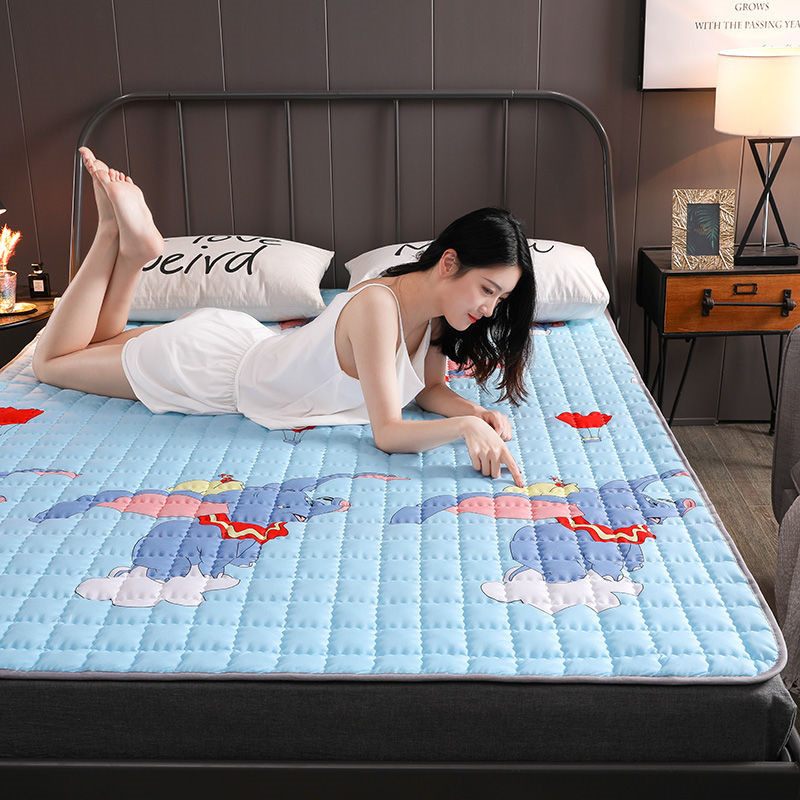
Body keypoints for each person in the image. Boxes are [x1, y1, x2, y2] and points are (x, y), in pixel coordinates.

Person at [33, 148, 536, 488]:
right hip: (209, 373)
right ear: (449, 262)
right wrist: (462, 431)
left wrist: (472, 413)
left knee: (101, 344)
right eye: (487, 290)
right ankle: (109, 234)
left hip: (240, 346)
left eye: (500, 299)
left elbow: (425, 389)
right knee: (52, 363)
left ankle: (132, 254)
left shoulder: (440, 315)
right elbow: (388, 433)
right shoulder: (379, 307)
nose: (489, 309)